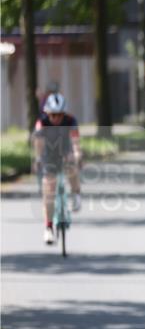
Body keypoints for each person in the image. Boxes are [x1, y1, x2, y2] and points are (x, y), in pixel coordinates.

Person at [32, 92, 82, 244]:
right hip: (49, 156)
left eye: (59, 115)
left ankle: (75, 194)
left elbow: (75, 141)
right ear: (47, 113)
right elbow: (39, 143)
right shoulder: (41, 123)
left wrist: (77, 153)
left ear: (64, 113)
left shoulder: (71, 120)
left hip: (65, 153)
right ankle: (48, 228)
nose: (56, 118)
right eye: (53, 115)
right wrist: (38, 158)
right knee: (48, 191)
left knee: (72, 168)